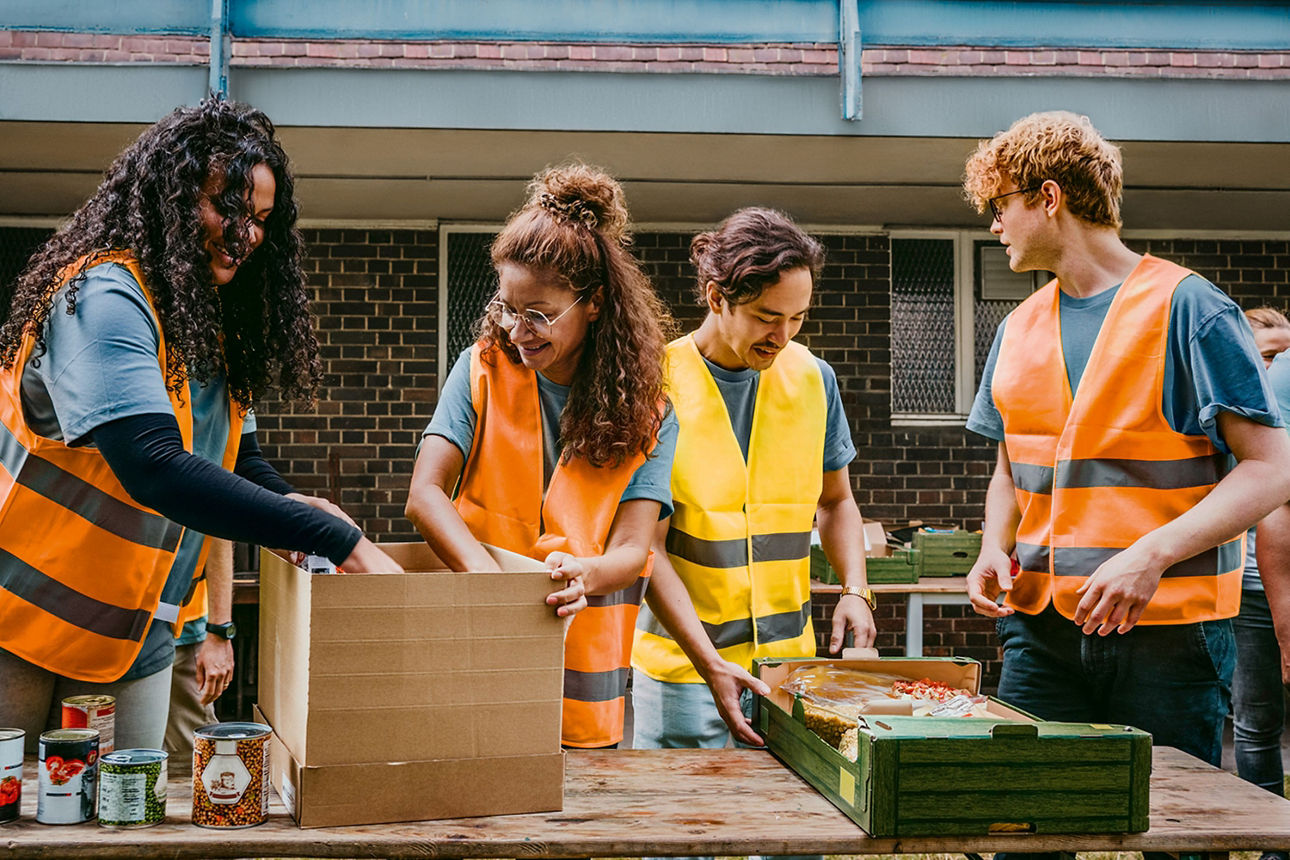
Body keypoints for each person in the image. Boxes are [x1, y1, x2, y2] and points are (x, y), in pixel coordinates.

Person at [0, 97, 400, 753]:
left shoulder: (208, 326)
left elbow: (234, 454)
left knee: (129, 822)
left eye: (262, 219)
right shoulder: (104, 294)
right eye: (228, 207)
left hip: (137, 631)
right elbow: (151, 461)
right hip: (17, 617)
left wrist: (283, 507)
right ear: (172, 196)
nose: (245, 233)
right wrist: (336, 536)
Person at [961, 110, 1290, 825]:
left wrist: (1151, 555)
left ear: (1049, 198)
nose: (995, 225)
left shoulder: (1191, 308)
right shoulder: (1017, 327)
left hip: (1168, 638)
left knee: (1168, 828)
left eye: (1002, 206)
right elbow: (1010, 468)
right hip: (1040, 634)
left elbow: (1271, 469)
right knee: (1022, 826)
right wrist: (993, 544)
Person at [406, 163, 677, 750]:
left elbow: (634, 549)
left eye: (539, 313)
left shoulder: (650, 412)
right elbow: (424, 495)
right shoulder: (480, 369)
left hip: (586, 675)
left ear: (596, 304)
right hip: (480, 647)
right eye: (507, 307)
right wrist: (491, 587)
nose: (518, 329)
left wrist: (588, 575)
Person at [631, 207, 877, 754]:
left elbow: (836, 503)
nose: (783, 335)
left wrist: (855, 589)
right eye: (768, 316)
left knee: (797, 832)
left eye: (797, 318)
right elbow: (645, 548)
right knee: (686, 837)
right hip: (684, 673)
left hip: (789, 669)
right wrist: (708, 662)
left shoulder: (815, 378)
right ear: (717, 297)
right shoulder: (655, 385)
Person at [165, 538, 234, 758]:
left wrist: (219, 631)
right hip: (99, 624)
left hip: (180, 622)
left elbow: (218, 533)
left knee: (189, 755)